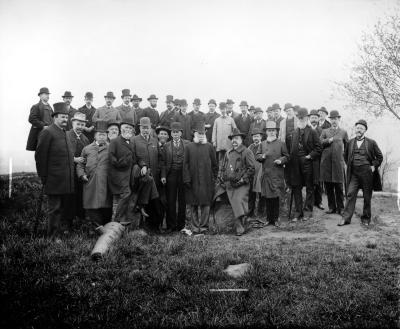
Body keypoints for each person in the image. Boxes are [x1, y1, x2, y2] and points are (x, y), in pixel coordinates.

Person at [35, 102, 75, 238]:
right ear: (55, 117)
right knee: (54, 209)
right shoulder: (47, 132)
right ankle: (51, 237)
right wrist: (44, 177)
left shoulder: (65, 133)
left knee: (62, 209)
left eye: (66, 117)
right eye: (62, 117)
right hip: (54, 180)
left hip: (65, 180)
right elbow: (40, 157)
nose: (65, 119)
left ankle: (59, 233)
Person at [339, 120, 383, 226]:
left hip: (367, 174)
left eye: (361, 128)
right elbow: (345, 156)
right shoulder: (350, 142)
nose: (359, 130)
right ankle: (346, 218)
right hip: (354, 173)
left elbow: (380, 157)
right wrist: (350, 165)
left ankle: (366, 219)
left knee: (367, 197)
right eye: (357, 128)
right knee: (350, 194)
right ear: (355, 129)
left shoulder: (371, 142)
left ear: (365, 130)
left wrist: (373, 166)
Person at [217, 128, 255, 236]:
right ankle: (237, 223)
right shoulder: (228, 153)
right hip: (229, 183)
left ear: (241, 139)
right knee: (218, 197)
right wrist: (220, 177)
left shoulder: (247, 152)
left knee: (237, 200)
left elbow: (251, 168)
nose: (234, 141)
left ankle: (240, 226)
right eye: (233, 138)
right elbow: (222, 167)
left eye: (237, 138)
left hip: (242, 184)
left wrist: (243, 179)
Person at [286, 108, 322, 221]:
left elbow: (319, 148)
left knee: (310, 188)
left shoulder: (312, 132)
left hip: (308, 163)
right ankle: (298, 212)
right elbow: (290, 149)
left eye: (303, 117)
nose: (301, 119)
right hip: (296, 164)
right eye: (299, 118)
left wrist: (309, 156)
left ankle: (307, 211)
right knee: (296, 187)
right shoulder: (294, 133)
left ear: (307, 118)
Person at [183, 122, 218, 234]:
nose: (201, 135)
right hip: (192, 181)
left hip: (206, 181)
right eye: (199, 133)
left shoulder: (209, 147)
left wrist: (214, 178)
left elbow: (214, 164)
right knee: (193, 204)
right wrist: (186, 178)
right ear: (195, 134)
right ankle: (194, 227)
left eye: (203, 134)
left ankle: (203, 227)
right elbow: (185, 164)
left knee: (206, 204)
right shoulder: (189, 147)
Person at [76, 121, 112, 225]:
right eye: (100, 134)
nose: (102, 137)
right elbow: (80, 164)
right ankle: (93, 227)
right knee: (91, 206)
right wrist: (81, 174)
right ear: (95, 136)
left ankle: (105, 229)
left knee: (106, 206)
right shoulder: (87, 149)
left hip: (105, 183)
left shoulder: (110, 148)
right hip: (90, 182)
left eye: (104, 135)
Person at [131, 117, 163, 231]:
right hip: (142, 178)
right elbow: (133, 159)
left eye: (147, 128)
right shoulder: (134, 140)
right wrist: (141, 168)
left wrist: (158, 171)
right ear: (139, 128)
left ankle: (154, 227)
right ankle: (142, 227)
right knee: (143, 201)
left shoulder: (154, 140)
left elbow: (160, 157)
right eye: (143, 128)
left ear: (150, 128)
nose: (145, 130)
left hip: (154, 176)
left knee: (154, 201)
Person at [256, 121, 289, 226]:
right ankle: (268, 219)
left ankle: (275, 219)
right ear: (266, 132)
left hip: (277, 174)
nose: (271, 133)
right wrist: (262, 157)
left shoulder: (281, 143)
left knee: (275, 197)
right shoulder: (262, 144)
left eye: (273, 131)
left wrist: (281, 160)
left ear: (276, 132)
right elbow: (257, 156)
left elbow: (287, 156)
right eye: (269, 131)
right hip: (266, 174)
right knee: (267, 197)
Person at [161, 122, 190, 232]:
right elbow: (163, 163)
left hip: (183, 174)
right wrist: (163, 176)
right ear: (171, 134)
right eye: (173, 132)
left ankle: (181, 225)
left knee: (182, 201)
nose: (176, 134)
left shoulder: (187, 144)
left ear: (181, 133)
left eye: (177, 132)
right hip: (171, 174)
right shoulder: (166, 145)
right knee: (171, 200)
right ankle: (171, 225)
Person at [320, 110, 349, 215]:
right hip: (326, 164)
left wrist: (344, 160)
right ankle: (332, 207)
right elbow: (319, 143)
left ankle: (341, 208)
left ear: (339, 119)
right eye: (332, 119)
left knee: (339, 187)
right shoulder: (325, 131)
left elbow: (348, 147)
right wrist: (328, 140)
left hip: (338, 164)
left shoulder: (343, 132)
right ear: (330, 120)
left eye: (335, 119)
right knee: (329, 187)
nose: (334, 121)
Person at [108, 117, 136, 223]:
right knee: (126, 193)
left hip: (128, 174)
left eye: (130, 128)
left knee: (130, 193)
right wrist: (123, 162)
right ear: (121, 129)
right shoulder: (115, 142)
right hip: (117, 173)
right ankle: (117, 219)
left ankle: (124, 219)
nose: (128, 130)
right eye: (126, 128)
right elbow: (111, 158)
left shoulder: (131, 143)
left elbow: (135, 158)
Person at [66, 112, 90, 221]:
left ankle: (80, 219)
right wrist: (73, 159)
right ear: (72, 123)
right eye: (78, 124)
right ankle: (67, 222)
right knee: (69, 197)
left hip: (80, 174)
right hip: (67, 173)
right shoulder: (65, 136)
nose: (80, 127)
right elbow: (59, 154)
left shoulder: (85, 140)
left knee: (80, 195)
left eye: (82, 124)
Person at [248, 128, 266, 219]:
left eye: (257, 136)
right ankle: (250, 213)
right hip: (252, 172)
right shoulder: (250, 147)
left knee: (261, 193)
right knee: (251, 193)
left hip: (261, 171)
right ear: (252, 138)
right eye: (254, 136)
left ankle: (261, 212)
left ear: (261, 137)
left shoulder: (263, 145)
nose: (256, 138)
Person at [308, 109, 324, 210]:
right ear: (309, 119)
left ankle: (319, 202)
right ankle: (310, 202)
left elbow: (322, 146)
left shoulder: (322, 131)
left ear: (318, 119)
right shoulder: (307, 129)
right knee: (309, 180)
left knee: (318, 180)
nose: (314, 119)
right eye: (312, 118)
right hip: (308, 158)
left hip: (318, 159)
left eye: (315, 118)